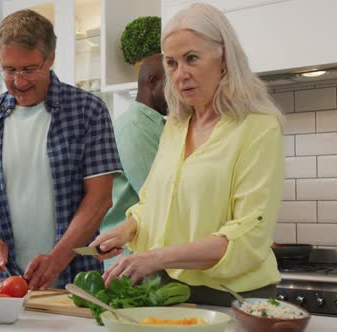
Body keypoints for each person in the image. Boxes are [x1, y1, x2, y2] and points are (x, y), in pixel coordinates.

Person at [91, 2, 285, 306]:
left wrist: (155, 257)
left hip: (234, 298)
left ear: (223, 59)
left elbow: (247, 237)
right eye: (171, 63)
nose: (180, 74)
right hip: (170, 291)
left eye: (191, 59)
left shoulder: (258, 128)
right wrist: (126, 230)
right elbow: (153, 202)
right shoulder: (177, 127)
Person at [0, 9, 121, 290]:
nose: (19, 81)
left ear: (50, 58)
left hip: (76, 282)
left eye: (29, 69)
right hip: (1, 284)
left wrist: (56, 260)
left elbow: (100, 199)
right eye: (9, 70)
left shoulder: (88, 111)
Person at [99, 54, 167, 270]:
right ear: (152, 81)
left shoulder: (154, 124)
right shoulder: (136, 127)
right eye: (172, 83)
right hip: (128, 256)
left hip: (140, 254)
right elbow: (159, 197)